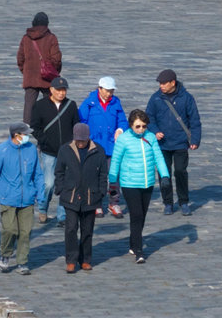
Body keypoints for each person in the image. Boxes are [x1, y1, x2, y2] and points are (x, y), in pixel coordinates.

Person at [0, 121, 43, 275]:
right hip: (8, 198)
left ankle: (22, 261)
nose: (28, 136)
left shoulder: (31, 149)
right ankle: (6, 254)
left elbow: (38, 174)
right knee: (10, 230)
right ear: (17, 135)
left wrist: (41, 195)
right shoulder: (1, 151)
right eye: (25, 134)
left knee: (25, 231)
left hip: (27, 198)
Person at [109, 109, 170, 263]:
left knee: (141, 215)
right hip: (129, 183)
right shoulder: (123, 139)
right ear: (131, 125)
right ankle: (139, 250)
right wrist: (112, 180)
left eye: (143, 126)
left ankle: (133, 241)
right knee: (136, 215)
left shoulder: (150, 137)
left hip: (147, 182)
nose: (141, 129)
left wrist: (165, 176)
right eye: (138, 126)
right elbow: (115, 160)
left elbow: (158, 157)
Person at [146, 68, 201, 216]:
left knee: (180, 171)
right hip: (162, 144)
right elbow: (149, 118)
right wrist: (154, 131)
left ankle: (183, 201)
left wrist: (195, 140)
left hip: (180, 143)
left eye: (164, 83)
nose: (161, 86)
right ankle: (168, 202)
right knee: (165, 174)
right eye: (160, 83)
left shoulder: (187, 98)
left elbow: (194, 120)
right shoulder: (156, 98)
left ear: (173, 83)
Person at [53, 123, 106, 273]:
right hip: (70, 196)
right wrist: (61, 190)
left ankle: (85, 259)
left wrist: (102, 191)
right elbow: (59, 172)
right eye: (78, 140)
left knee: (87, 229)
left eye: (83, 140)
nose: (81, 143)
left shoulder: (98, 150)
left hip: (91, 196)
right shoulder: (65, 150)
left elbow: (103, 173)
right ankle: (71, 259)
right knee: (70, 229)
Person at [30, 76, 78, 225]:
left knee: (65, 183)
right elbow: (34, 127)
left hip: (67, 151)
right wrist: (44, 141)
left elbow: (76, 125)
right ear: (51, 90)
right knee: (49, 183)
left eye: (64, 90)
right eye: (58, 90)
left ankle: (62, 215)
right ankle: (43, 208)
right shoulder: (40, 106)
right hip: (48, 151)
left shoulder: (71, 105)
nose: (61, 93)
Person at [77, 76, 128, 217]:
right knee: (95, 176)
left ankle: (114, 202)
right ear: (100, 89)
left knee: (113, 176)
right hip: (94, 146)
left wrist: (120, 130)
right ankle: (96, 203)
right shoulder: (89, 103)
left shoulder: (116, 103)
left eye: (112, 90)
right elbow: (81, 122)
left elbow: (123, 121)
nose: (110, 93)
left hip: (112, 146)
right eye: (107, 90)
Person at [17, 12, 62, 122]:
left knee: (29, 104)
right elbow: (56, 59)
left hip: (30, 76)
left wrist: (26, 72)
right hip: (47, 77)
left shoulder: (26, 38)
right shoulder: (51, 38)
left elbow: (20, 58)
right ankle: (48, 124)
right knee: (49, 103)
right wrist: (53, 72)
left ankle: (26, 128)